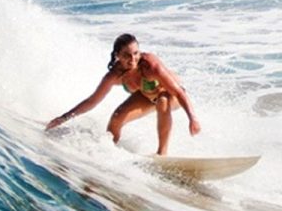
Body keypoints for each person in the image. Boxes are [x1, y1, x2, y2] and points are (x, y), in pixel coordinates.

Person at [45, 34, 201, 155]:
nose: (133, 59)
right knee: (117, 116)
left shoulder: (150, 66)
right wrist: (64, 117)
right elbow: (92, 101)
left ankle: (162, 153)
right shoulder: (114, 75)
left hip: (171, 96)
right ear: (117, 55)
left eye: (136, 53)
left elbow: (179, 92)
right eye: (127, 55)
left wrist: (192, 118)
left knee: (162, 101)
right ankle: (108, 150)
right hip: (147, 97)